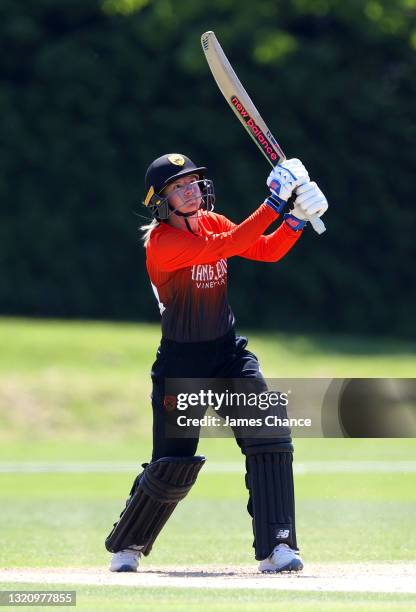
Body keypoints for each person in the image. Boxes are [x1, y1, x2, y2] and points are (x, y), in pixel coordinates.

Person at [105, 153, 328, 573]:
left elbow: (262, 250)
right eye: (178, 186)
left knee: (271, 436)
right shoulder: (162, 243)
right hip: (181, 364)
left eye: (192, 182)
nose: (190, 190)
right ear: (161, 200)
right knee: (173, 464)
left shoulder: (214, 221)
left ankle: (278, 546)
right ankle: (130, 543)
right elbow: (228, 246)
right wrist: (275, 201)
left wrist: (295, 219)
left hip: (228, 355)